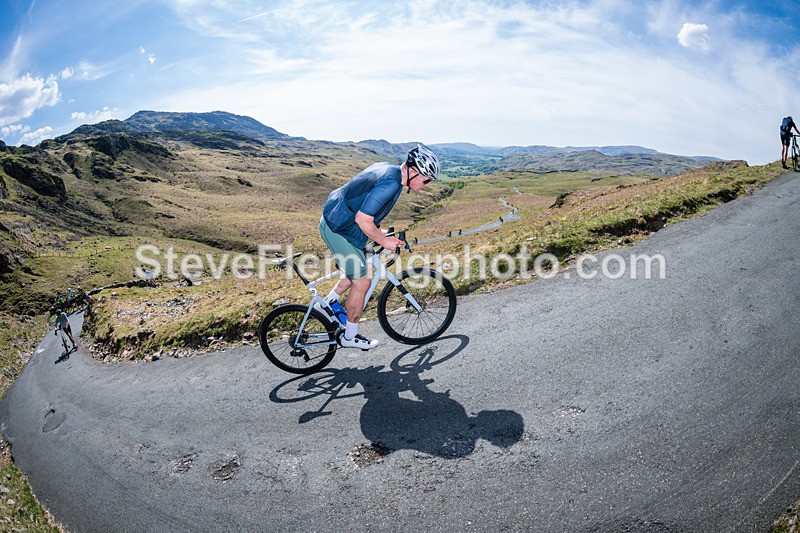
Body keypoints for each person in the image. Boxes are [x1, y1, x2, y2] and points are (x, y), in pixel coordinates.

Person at [319, 144, 440, 350]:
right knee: (363, 281)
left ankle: (329, 302)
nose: (427, 184)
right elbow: (363, 219)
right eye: (426, 179)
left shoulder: (390, 171)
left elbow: (365, 206)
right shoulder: (391, 183)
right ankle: (350, 337)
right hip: (338, 228)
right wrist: (384, 241)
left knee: (358, 267)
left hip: (342, 221)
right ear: (413, 171)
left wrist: (381, 232)